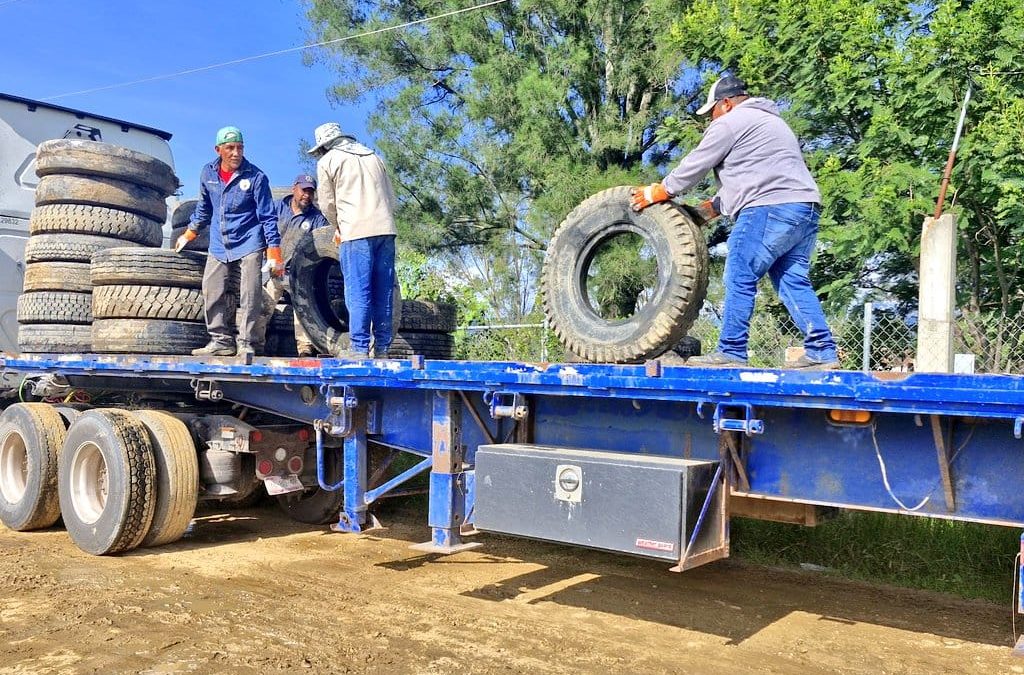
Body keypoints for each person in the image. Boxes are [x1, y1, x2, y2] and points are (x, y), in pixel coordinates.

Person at [632, 75, 839, 370]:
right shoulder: (773, 124)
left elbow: (696, 164)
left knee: (739, 273)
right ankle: (821, 350)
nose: (710, 120)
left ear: (726, 104)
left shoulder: (730, 122)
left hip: (768, 208)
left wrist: (660, 191)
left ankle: (731, 350)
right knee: (793, 281)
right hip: (803, 209)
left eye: (712, 111)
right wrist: (706, 212)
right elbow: (753, 178)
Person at [176, 126, 284, 358]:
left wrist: (274, 249)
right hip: (219, 242)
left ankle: (246, 342)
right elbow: (204, 208)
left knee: (250, 293)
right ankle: (220, 340)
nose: (236, 153)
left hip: (249, 240)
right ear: (218, 150)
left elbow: (267, 215)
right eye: (230, 148)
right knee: (212, 290)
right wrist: (190, 232)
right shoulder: (208, 173)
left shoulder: (256, 177)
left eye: (240, 148)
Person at [308, 122, 397, 358]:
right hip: (386, 229)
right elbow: (392, 199)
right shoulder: (375, 157)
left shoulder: (328, 161)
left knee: (358, 291)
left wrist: (338, 226)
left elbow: (326, 203)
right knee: (383, 291)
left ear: (324, 146)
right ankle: (382, 349)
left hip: (355, 231)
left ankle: (359, 348)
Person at [253, 173, 330, 357]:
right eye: (304, 190)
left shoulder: (317, 218)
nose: (307, 195)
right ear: (294, 188)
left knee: (304, 311)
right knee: (261, 307)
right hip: (271, 269)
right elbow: (261, 230)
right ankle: (256, 346)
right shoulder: (277, 208)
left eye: (311, 192)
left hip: (299, 274)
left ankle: (305, 349)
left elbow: (325, 240)